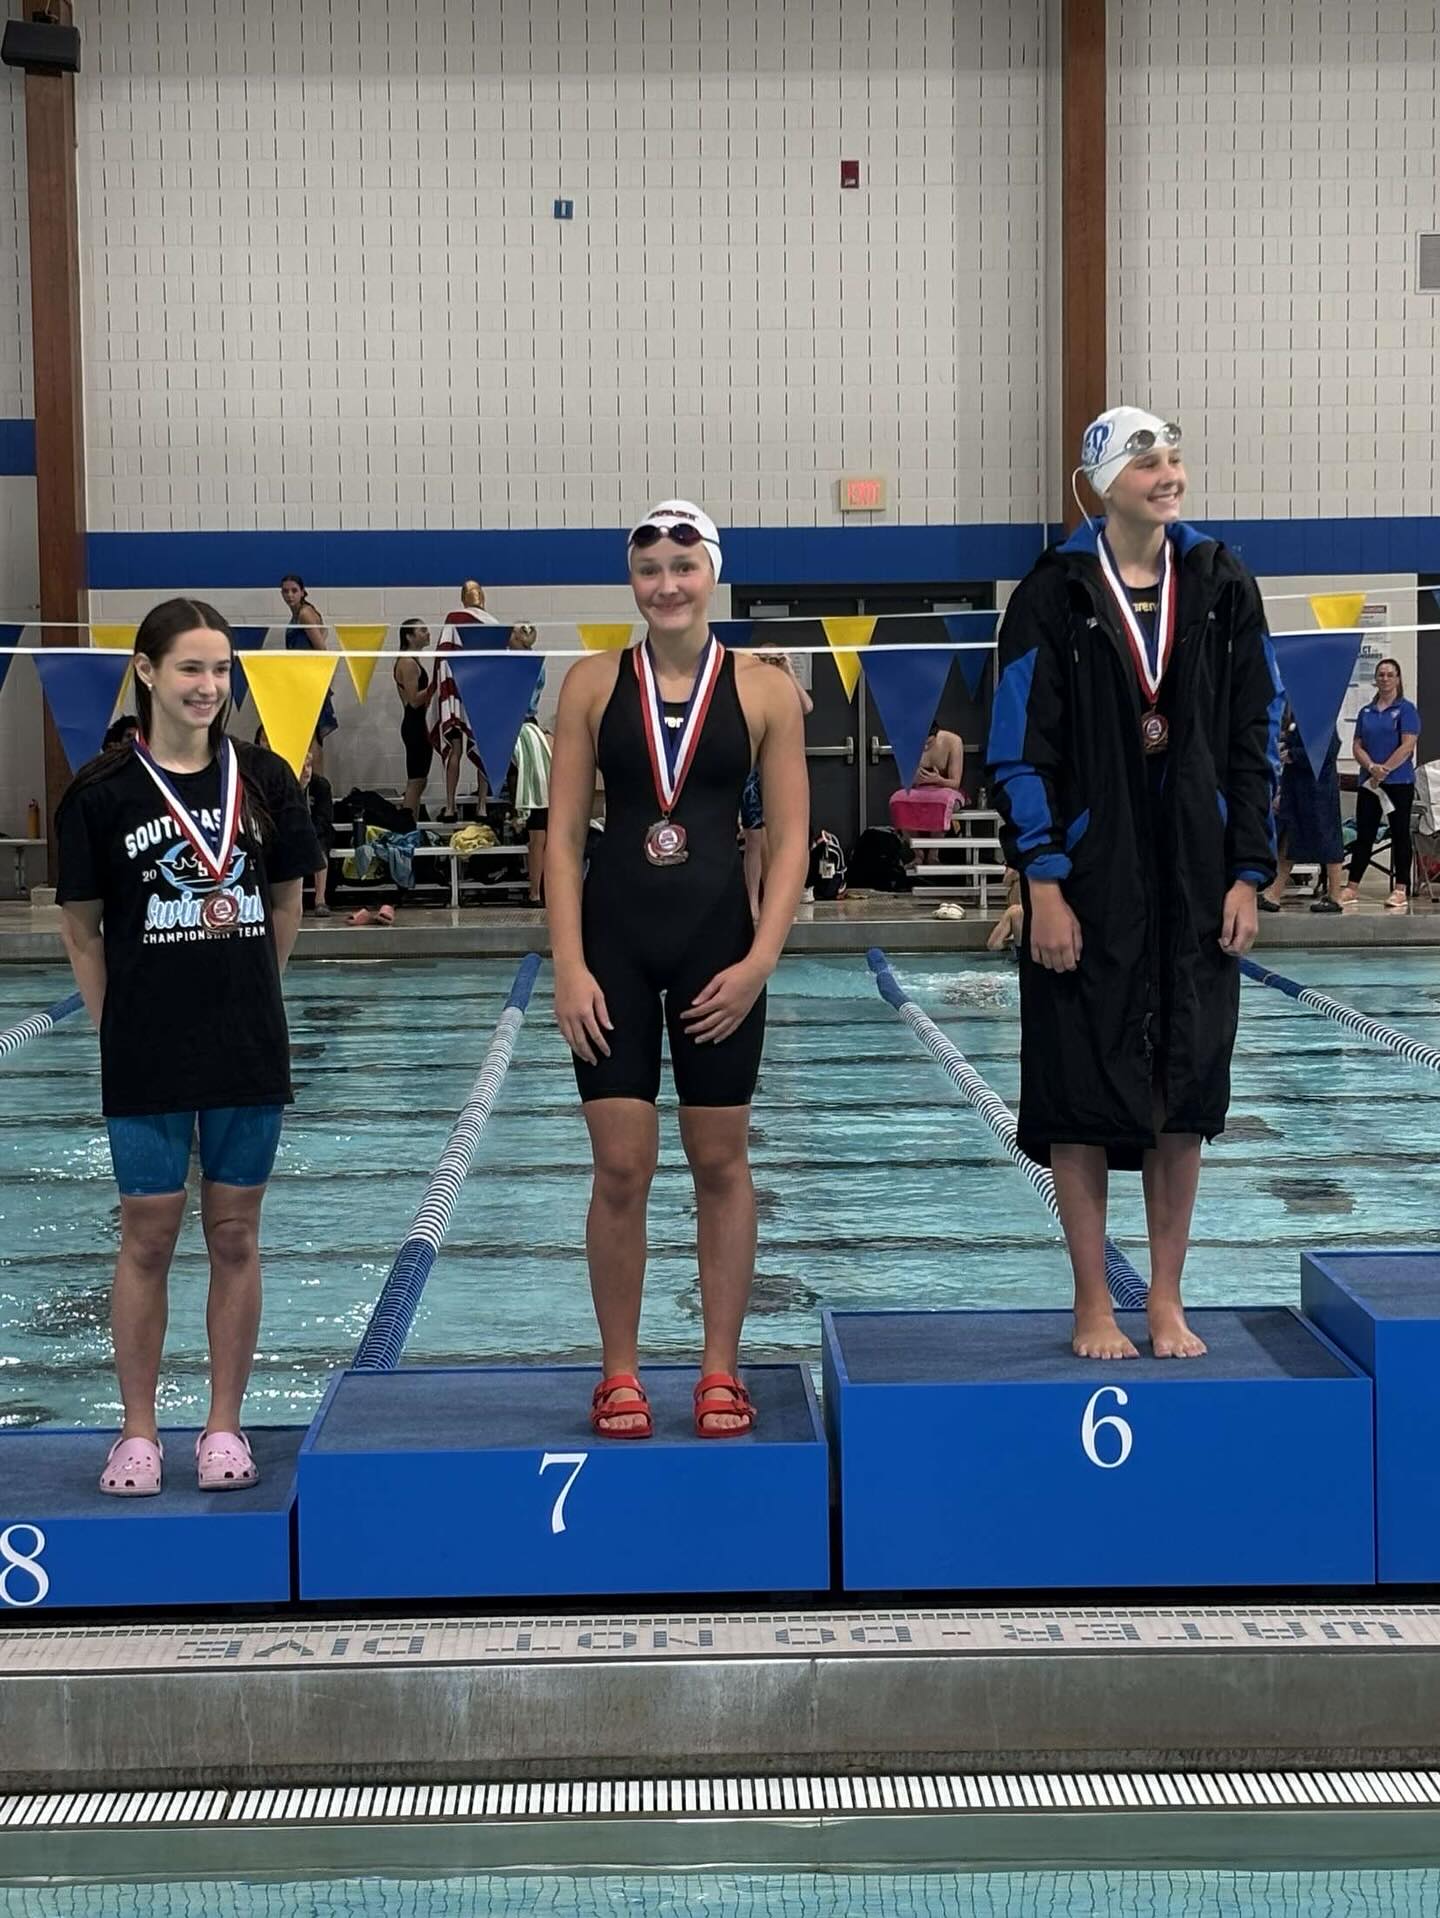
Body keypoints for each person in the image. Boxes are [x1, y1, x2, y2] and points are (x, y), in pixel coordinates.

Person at [987, 406, 1281, 1363]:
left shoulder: (1223, 583)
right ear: (1101, 482)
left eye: (1174, 455)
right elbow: (1018, 749)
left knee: (1182, 1094)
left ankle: (1163, 1297)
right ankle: (1090, 1303)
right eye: (1146, 458)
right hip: (1089, 878)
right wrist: (1045, 880)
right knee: (1077, 1092)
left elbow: (1256, 734)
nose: (1168, 470)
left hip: (1197, 879)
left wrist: (1248, 872)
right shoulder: (1054, 593)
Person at [547, 501, 809, 1438]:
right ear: (633, 580)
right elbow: (564, 836)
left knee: (719, 1162)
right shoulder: (586, 685)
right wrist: (569, 966)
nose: (666, 582)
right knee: (620, 1169)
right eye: (650, 567)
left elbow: (787, 844)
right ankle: (619, 1372)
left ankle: (718, 1369)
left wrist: (760, 962)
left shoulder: (766, 691)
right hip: (614, 944)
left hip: (719, 951)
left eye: (683, 565)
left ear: (713, 574)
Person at [55, 598, 322, 1496]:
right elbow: (81, 927)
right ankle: (137, 1433)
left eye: (220, 670)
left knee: (236, 1234)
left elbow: (286, 906)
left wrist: (251, 996)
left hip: (246, 1046)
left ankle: (221, 1426)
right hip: (145, 1050)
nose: (209, 687)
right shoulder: (101, 792)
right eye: (190, 670)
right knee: (146, 1238)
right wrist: (113, 1023)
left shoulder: (269, 780)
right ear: (146, 671)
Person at [1340, 658, 1420, 911]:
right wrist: (1372, 768)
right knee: (1365, 833)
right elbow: (1357, 745)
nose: (1385, 679)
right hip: (1370, 783)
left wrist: (1384, 770)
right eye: (1381, 675)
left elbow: (1407, 746)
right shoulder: (1366, 712)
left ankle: (1400, 888)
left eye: (1389, 675)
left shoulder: (1406, 710)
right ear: (1376, 679)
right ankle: (1352, 886)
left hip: (1398, 782)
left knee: (1399, 834)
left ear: (1397, 679)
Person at [740, 653, 813, 920]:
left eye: (775, 661)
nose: (770, 667)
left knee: (782, 838)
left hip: (778, 773)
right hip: (750, 772)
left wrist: (788, 672)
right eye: (766, 662)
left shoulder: (784, 689)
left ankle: (777, 902)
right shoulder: (750, 688)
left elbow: (807, 706)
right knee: (754, 839)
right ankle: (752, 903)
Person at [1261, 712, 1344, 914]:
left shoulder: (1324, 719)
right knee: (1288, 839)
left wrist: (1292, 755)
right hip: (1296, 788)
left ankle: (1335, 895)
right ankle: (1274, 893)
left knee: (1328, 840)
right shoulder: (1298, 720)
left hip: (1319, 790)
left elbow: (1327, 750)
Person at [430, 581, 494, 822]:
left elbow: (442, 657)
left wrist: (437, 690)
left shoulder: (454, 618)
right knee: (482, 749)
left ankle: (450, 806)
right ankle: (481, 806)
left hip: (456, 692)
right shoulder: (493, 623)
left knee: (456, 749)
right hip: (479, 692)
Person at [279, 575, 338, 778]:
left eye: (294, 590)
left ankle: (317, 788)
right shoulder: (300, 614)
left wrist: (323, 682)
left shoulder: (305, 614)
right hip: (301, 680)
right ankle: (312, 787)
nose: (289, 595)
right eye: (285, 591)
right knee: (307, 738)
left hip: (310, 682)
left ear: (303, 592)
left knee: (312, 739)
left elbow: (322, 649)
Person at [508, 626, 550, 905]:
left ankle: (536, 891)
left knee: (537, 830)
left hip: (518, 729)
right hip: (526, 729)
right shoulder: (534, 664)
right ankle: (538, 889)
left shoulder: (517, 666)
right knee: (539, 831)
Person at [393, 617, 435, 820]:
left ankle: (412, 825)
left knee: (420, 781)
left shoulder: (412, 661)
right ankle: (407, 828)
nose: (428, 633)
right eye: (422, 630)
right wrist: (437, 684)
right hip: (414, 724)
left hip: (418, 724)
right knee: (415, 782)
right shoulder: (408, 663)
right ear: (409, 637)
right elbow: (414, 701)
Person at [300, 745, 334, 916]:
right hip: (292, 833)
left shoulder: (321, 786)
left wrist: (309, 833)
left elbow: (324, 818)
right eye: (302, 766)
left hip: (316, 833)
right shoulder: (286, 785)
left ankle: (320, 899)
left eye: (308, 766)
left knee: (319, 849)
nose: (306, 771)